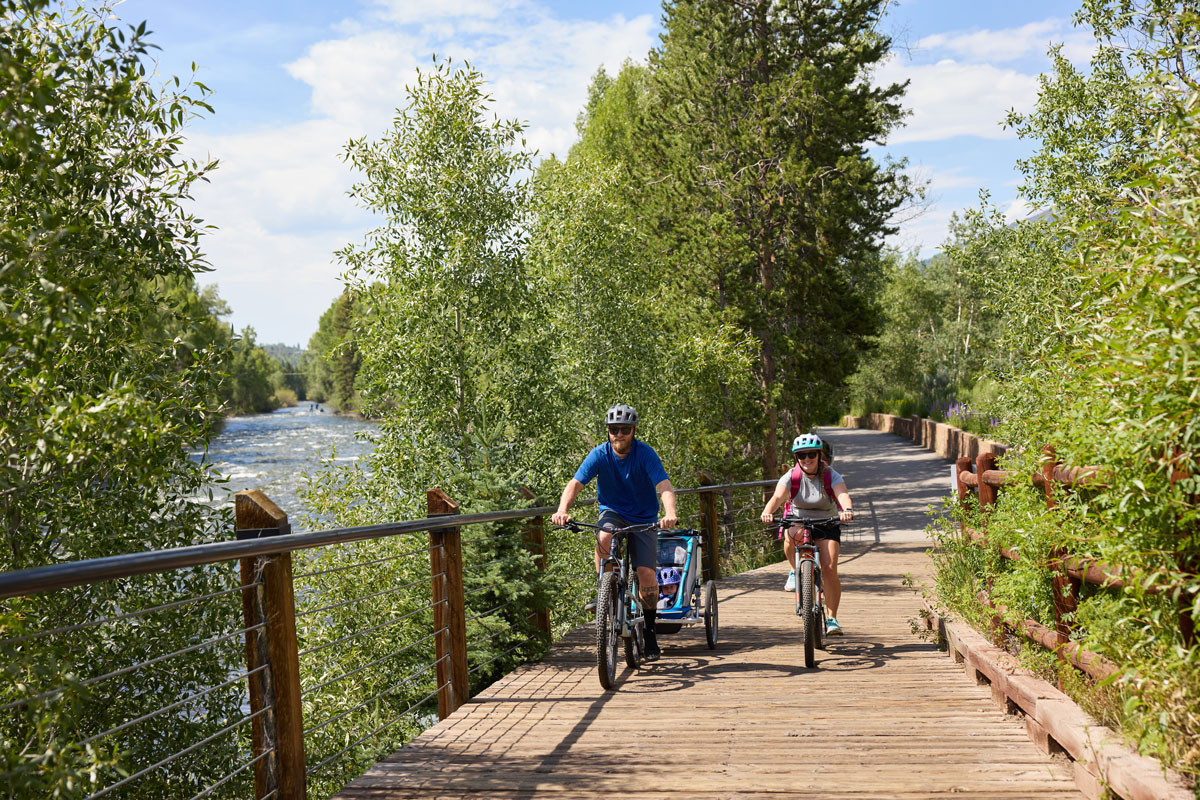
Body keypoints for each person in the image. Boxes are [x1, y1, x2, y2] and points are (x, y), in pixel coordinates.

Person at [552, 404, 678, 662]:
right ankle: (605, 591)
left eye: (624, 429)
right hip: (613, 513)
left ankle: (651, 631)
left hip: (644, 517)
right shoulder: (599, 454)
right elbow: (575, 484)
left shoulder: (645, 454)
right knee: (604, 537)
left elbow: (663, 485)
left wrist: (670, 512)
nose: (619, 434)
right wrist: (562, 510)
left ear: (633, 431)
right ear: (608, 431)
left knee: (646, 574)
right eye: (613, 430)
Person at [760, 433, 854, 636]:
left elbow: (842, 494)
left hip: (827, 522)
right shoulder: (791, 477)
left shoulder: (830, 474)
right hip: (799, 519)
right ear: (796, 458)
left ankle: (832, 618)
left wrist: (846, 510)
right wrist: (768, 512)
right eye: (802, 455)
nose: (807, 459)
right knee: (790, 535)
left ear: (819, 456)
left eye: (811, 454)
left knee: (829, 569)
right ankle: (795, 571)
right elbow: (777, 497)